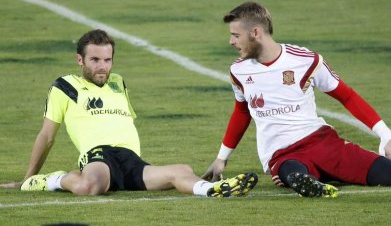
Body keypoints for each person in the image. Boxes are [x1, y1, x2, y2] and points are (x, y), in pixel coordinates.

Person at [0, 29, 258, 197]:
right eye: (95, 60)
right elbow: (47, 136)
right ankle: (53, 179)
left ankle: (212, 189)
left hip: (131, 159)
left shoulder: (118, 82)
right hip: (99, 155)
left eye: (108, 60)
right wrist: (27, 178)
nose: (103, 67)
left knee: (181, 169)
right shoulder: (65, 86)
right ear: (80, 60)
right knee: (89, 187)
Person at [202, 1, 391, 198]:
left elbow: (347, 96)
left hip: (322, 142)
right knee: (292, 172)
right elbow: (242, 112)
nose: (231, 42)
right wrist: (221, 158)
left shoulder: (305, 60)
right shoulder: (238, 71)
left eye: (236, 35)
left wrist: (386, 135)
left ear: (255, 32)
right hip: (281, 155)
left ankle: (319, 177)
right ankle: (308, 179)